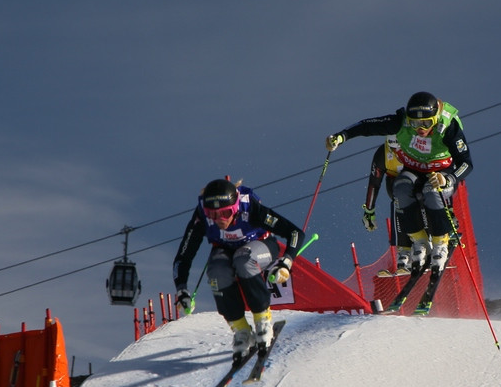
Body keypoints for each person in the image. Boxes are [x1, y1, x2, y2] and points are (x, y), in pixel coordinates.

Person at [326, 91, 473, 273]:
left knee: (432, 191)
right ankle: (418, 242)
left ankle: (440, 242)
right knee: (400, 189)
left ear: (435, 118)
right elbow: (368, 126)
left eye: (426, 123)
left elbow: (467, 163)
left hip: (440, 172)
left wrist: (449, 178)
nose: (420, 128)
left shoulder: (448, 127)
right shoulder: (400, 122)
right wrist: (342, 136)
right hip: (415, 169)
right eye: (414, 123)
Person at [172, 178, 305, 357]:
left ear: (235, 208)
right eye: (212, 214)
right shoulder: (201, 215)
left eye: (226, 213)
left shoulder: (249, 207)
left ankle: (262, 320)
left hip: (260, 245)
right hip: (225, 250)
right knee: (217, 271)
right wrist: (182, 290)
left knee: (243, 259)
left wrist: (286, 262)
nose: (219, 220)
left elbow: (295, 233)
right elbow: (184, 255)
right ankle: (241, 330)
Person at [362, 138, 411, 275]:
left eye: (398, 148)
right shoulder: (382, 154)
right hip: (395, 182)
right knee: (398, 200)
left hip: (416, 181)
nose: (396, 152)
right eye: (392, 148)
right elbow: (374, 183)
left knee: (420, 197)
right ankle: (404, 250)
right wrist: (369, 210)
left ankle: (427, 243)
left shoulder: (415, 146)